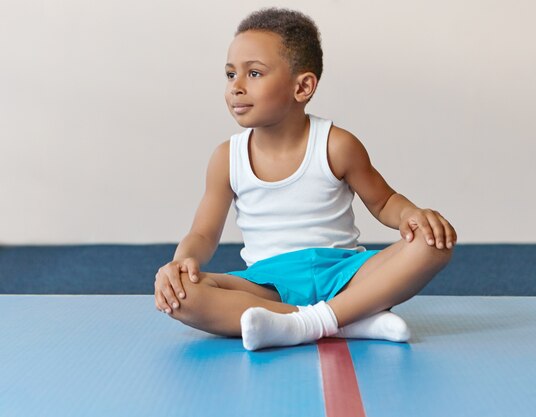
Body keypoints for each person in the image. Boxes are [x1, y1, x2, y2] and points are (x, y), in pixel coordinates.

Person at [154, 7, 456, 351]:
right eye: (229, 74)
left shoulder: (337, 145)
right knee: (181, 296)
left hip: (345, 277)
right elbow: (203, 233)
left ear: (303, 86)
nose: (235, 87)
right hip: (268, 284)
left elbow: (384, 202)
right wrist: (181, 262)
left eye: (253, 73)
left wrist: (411, 215)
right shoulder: (227, 158)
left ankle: (301, 322)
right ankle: (344, 321)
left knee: (434, 244)